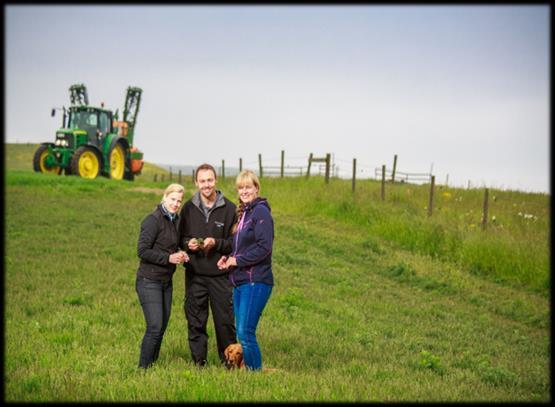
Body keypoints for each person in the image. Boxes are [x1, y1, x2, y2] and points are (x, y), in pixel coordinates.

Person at [178, 163, 237, 367]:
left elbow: (234, 244)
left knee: (225, 323)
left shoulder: (229, 209)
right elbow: (181, 238)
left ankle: (229, 363)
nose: (206, 185)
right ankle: (199, 363)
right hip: (195, 275)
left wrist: (217, 243)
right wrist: (189, 244)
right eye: (202, 181)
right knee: (196, 320)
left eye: (209, 180)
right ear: (196, 182)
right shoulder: (188, 208)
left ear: (216, 180)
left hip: (220, 276)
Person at [217, 170, 274, 371]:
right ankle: (251, 372)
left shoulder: (261, 212)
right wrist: (228, 257)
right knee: (242, 333)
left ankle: (254, 374)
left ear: (256, 188)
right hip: (241, 281)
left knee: (246, 331)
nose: (244, 191)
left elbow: (264, 247)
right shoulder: (244, 213)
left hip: (256, 280)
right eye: (241, 188)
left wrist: (237, 260)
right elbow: (240, 246)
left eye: (248, 187)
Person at [136, 183, 189, 369]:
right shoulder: (153, 220)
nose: (176, 204)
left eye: (179, 201)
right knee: (155, 327)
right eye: (173, 199)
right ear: (165, 197)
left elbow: (170, 245)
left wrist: (181, 253)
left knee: (162, 327)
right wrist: (168, 258)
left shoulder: (175, 219)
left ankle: (153, 365)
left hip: (166, 282)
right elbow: (142, 251)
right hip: (148, 280)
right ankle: (143, 369)